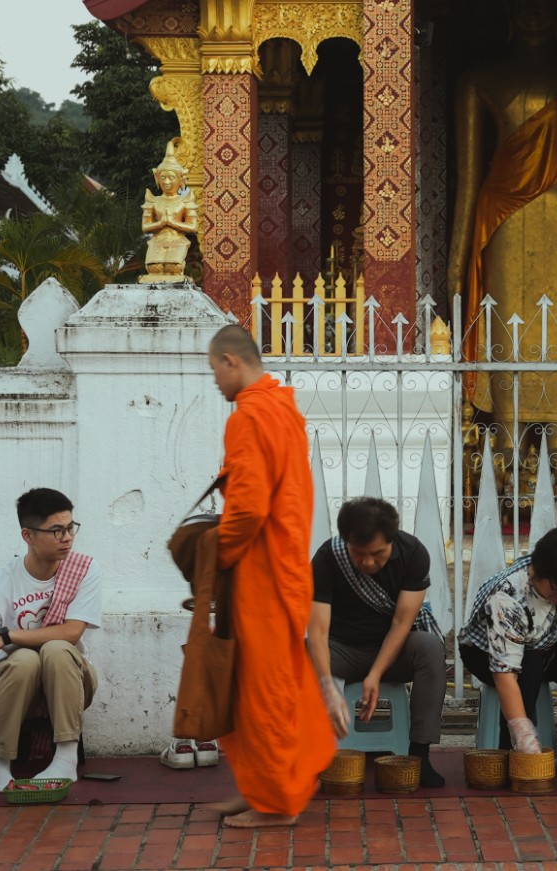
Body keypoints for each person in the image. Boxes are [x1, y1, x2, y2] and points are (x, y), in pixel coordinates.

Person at [203, 324, 335, 828]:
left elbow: (249, 507)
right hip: (283, 568)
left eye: (214, 368)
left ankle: (277, 801)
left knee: (263, 691)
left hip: (259, 573)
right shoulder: (283, 409)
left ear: (232, 361)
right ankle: (258, 784)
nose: (214, 379)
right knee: (247, 686)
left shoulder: (250, 417)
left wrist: (218, 555)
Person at [0, 488, 103, 791]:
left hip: (69, 683)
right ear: (27, 535)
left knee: (58, 649)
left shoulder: (83, 569)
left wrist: (6, 636)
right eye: (56, 531)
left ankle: (66, 759)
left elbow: (72, 632)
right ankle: (1, 764)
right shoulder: (2, 582)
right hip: (15, 686)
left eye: (70, 527)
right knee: (23, 658)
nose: (67, 537)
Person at [306, 497, 447, 788]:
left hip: (392, 650)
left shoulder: (413, 554)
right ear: (345, 541)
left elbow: (401, 623)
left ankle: (419, 756)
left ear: (393, 540)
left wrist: (376, 673)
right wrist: (327, 689)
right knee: (307, 651)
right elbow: (318, 632)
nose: (368, 562)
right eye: (359, 553)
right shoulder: (327, 559)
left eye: (378, 554)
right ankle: (316, 755)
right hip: (341, 649)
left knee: (430, 648)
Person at [459, 526, 557, 779]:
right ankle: (511, 753)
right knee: (529, 665)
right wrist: (525, 736)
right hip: (487, 654)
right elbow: (505, 673)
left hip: (545, 645)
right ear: (535, 572)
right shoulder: (508, 597)